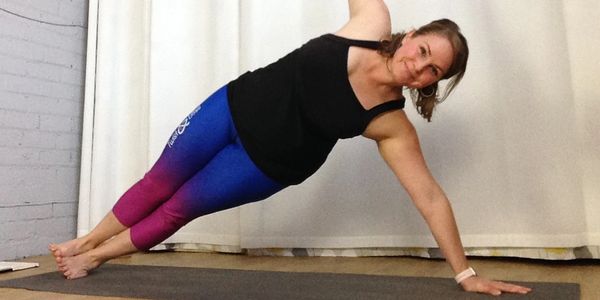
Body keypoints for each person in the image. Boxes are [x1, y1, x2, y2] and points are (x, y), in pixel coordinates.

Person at [50, 0, 531, 296]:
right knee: (160, 180)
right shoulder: (371, 20)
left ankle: (93, 257)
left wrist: (466, 273)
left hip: (267, 164)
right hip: (233, 106)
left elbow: (429, 197)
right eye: (424, 52)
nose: (419, 69)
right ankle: (85, 240)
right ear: (412, 35)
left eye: (433, 74)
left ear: (432, 85)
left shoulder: (391, 124)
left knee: (179, 209)